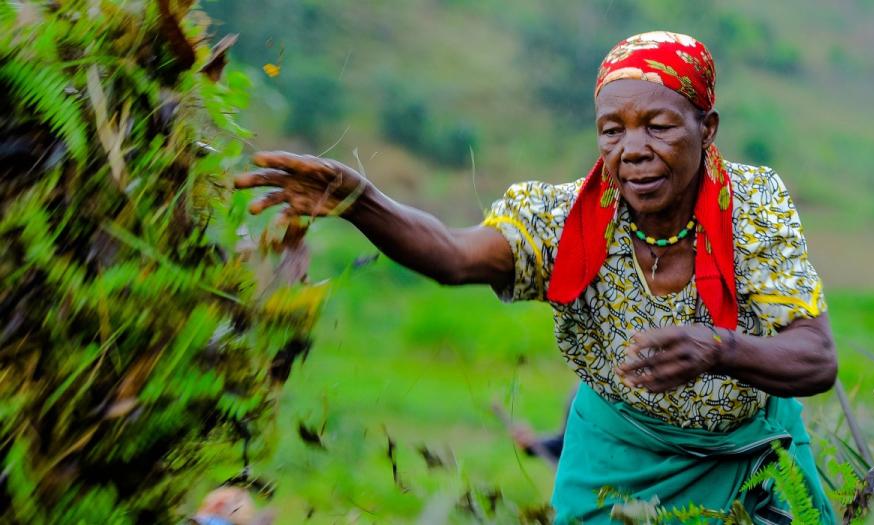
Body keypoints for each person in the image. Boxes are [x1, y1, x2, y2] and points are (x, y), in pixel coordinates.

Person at [235, 31, 837, 523]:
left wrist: (717, 348)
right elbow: (453, 255)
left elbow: (814, 359)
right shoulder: (560, 221)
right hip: (617, 468)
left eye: (658, 126)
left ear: (706, 129)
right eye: (612, 129)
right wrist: (362, 201)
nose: (632, 149)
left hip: (752, 458)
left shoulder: (751, 206)